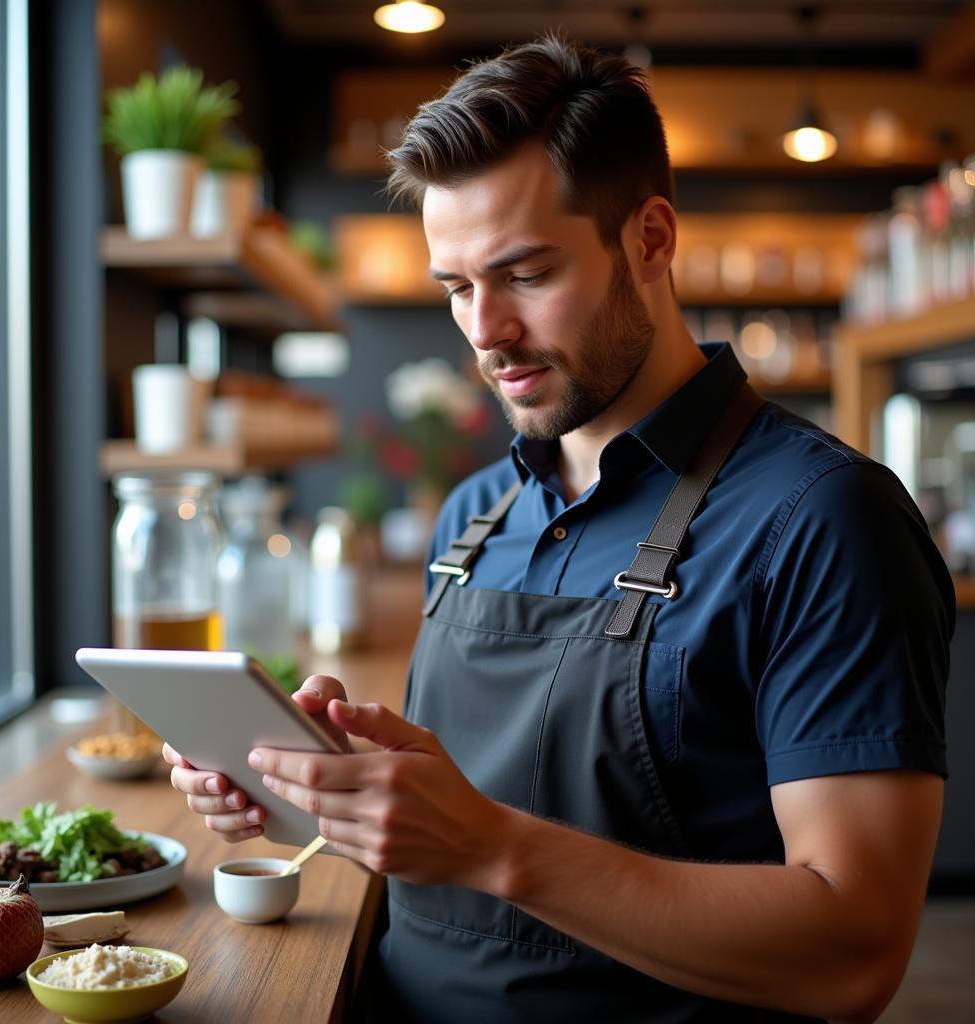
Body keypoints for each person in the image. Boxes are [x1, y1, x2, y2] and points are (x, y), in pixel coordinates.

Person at [164, 35, 954, 1023]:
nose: (483, 329)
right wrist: (310, 783)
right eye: (455, 286)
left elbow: (852, 951)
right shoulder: (474, 513)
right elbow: (475, 804)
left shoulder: (823, 520)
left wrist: (494, 847)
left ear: (651, 239)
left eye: (524, 273)